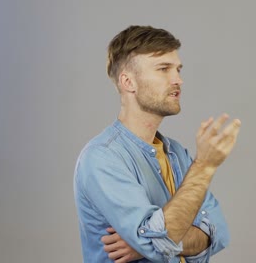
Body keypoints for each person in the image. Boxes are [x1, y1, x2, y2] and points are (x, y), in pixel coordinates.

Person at [74, 25, 241, 263]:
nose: (178, 80)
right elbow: (159, 242)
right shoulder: (102, 158)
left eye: (178, 69)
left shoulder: (176, 154)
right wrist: (204, 166)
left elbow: (217, 232)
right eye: (164, 69)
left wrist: (155, 243)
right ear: (128, 82)